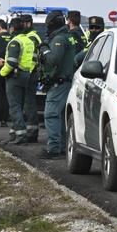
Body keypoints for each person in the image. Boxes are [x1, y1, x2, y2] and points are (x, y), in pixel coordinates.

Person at [40, 10, 82, 159]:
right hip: (67, 81)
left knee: (51, 115)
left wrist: (44, 49)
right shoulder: (68, 36)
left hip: (60, 83)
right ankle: (63, 148)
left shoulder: (59, 39)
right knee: (63, 116)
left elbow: (53, 60)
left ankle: (54, 149)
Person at [0, 17, 38, 144]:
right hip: (26, 75)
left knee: (14, 107)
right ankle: (14, 133)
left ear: (12, 28)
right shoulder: (29, 40)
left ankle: (20, 135)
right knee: (20, 106)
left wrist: (2, 72)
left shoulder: (15, 41)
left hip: (14, 77)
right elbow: (34, 59)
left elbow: (11, 62)